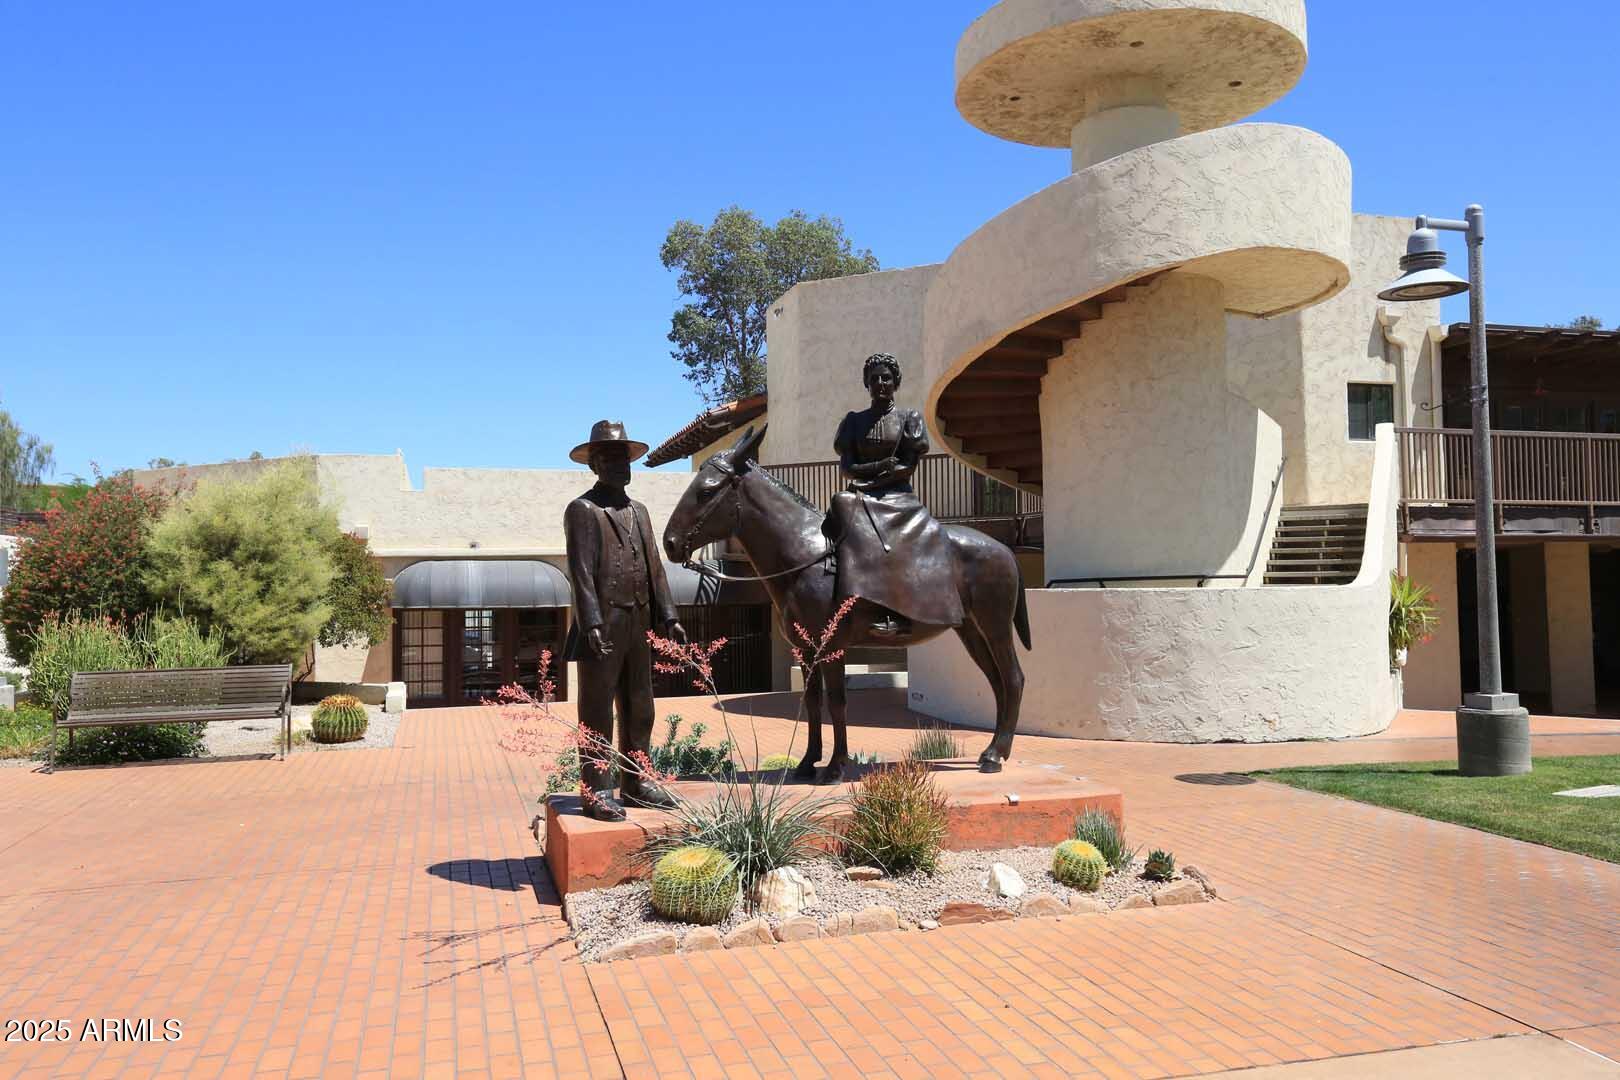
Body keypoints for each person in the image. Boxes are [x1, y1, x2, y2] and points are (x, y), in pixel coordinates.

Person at [562, 420, 686, 822]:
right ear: (594, 465)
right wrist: (591, 622)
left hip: (640, 619)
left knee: (640, 705)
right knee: (597, 708)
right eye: (610, 458)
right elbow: (580, 573)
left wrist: (669, 615)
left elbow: (656, 568)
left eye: (624, 457)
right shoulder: (582, 510)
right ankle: (595, 789)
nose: (620, 465)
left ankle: (636, 782)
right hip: (604, 623)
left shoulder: (641, 511)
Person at [823, 353, 964, 636]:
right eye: (874, 378)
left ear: (895, 382)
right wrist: (879, 467)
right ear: (866, 383)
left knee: (899, 544)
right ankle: (837, 602)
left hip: (898, 497)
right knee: (838, 518)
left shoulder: (908, 419)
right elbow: (848, 469)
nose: (880, 383)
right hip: (861, 494)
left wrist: (878, 477)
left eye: (885, 377)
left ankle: (896, 612)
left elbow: (907, 467)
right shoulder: (853, 422)